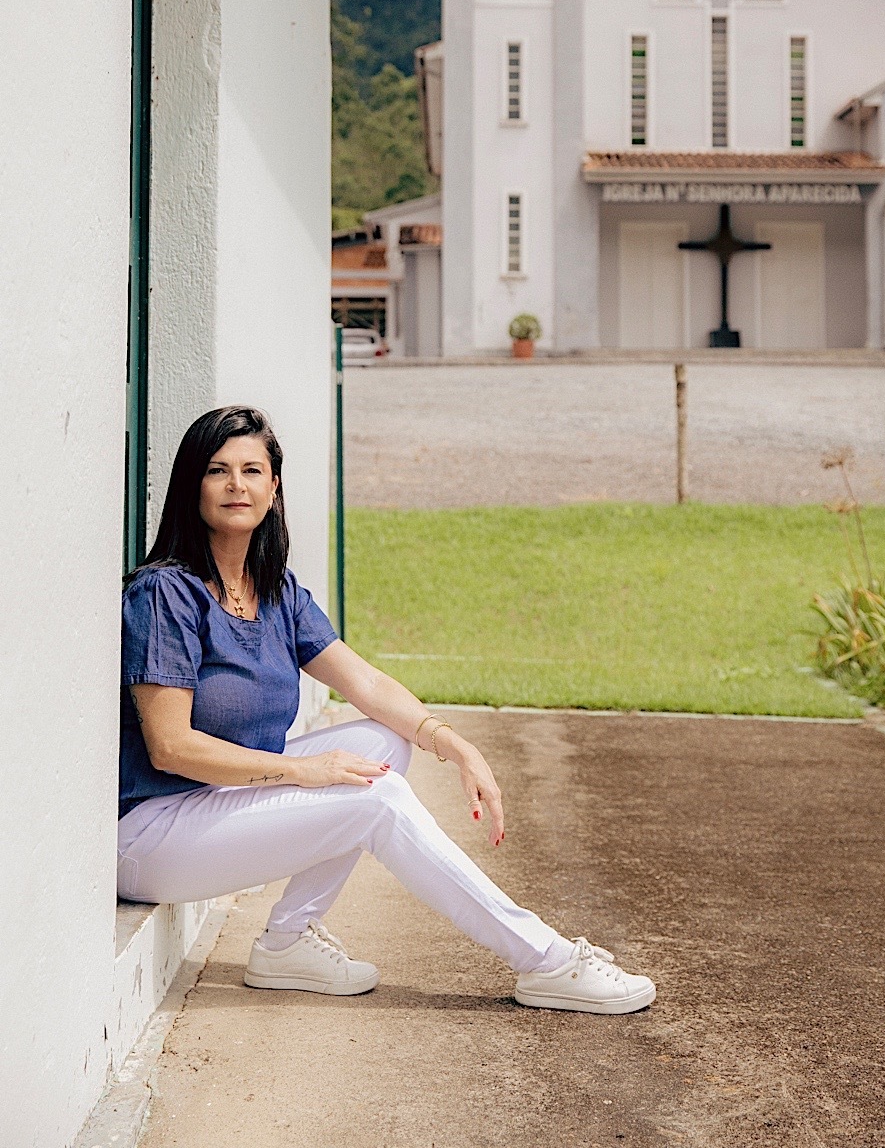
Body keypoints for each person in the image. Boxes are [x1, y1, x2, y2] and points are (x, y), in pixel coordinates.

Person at [117, 405, 655, 1015]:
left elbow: (365, 683)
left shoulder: (275, 590)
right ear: (193, 486)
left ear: (274, 488)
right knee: (373, 797)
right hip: (151, 835)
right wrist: (303, 771)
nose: (236, 485)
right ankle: (546, 959)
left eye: (252, 470)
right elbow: (171, 746)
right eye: (218, 470)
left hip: (214, 806)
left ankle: (287, 941)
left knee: (382, 746)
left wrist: (455, 744)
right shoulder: (165, 592)